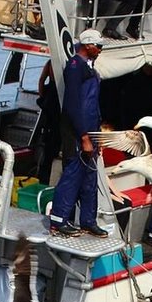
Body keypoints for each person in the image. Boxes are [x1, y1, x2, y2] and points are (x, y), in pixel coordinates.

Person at [49, 29, 109, 237]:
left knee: (90, 178)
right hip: (78, 133)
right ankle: (58, 219)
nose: (101, 50)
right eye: (98, 46)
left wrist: (97, 136)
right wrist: (84, 137)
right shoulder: (75, 68)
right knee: (73, 175)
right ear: (88, 46)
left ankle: (87, 220)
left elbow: (93, 105)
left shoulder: (88, 68)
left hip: (91, 129)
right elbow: (73, 106)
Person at [36, 59, 61, 185]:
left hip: (49, 101)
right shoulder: (59, 63)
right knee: (53, 142)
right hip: (56, 100)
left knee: (48, 141)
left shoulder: (50, 63)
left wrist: (42, 97)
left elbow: (41, 80)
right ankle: (46, 177)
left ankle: (44, 176)